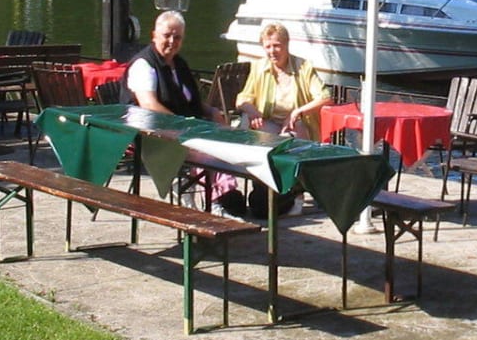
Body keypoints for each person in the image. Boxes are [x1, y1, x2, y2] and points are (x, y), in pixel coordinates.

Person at [215, 21, 333, 218]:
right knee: (253, 135)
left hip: (296, 123)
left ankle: (296, 194)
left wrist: (298, 111)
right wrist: (252, 111)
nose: (272, 51)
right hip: (269, 121)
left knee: (290, 142)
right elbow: (242, 98)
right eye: (268, 46)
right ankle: (262, 186)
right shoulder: (260, 67)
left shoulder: (303, 67)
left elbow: (325, 96)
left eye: (277, 45)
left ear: (286, 45)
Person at [120, 11, 226, 211]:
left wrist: (212, 111)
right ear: (154, 35)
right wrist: (185, 125)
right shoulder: (144, 65)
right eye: (167, 35)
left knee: (223, 139)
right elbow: (149, 105)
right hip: (150, 131)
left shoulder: (179, 64)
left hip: (183, 126)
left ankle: (220, 197)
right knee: (207, 149)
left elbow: (190, 99)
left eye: (177, 37)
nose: (172, 41)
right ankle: (205, 203)